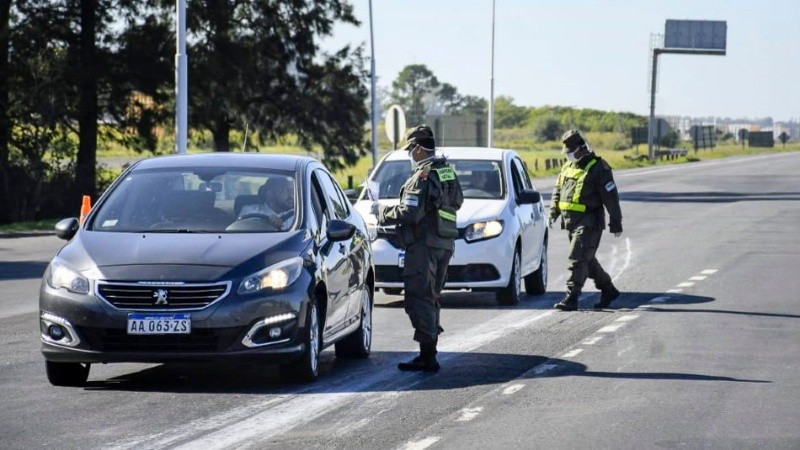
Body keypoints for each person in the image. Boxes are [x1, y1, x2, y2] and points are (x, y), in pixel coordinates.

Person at [373, 124, 463, 372]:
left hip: (424, 246)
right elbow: (458, 201)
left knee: (418, 298)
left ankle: (428, 355)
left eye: (411, 149)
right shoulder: (446, 171)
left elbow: (410, 212)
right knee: (431, 296)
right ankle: (429, 351)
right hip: (444, 243)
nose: (410, 154)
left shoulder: (422, 175)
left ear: (419, 149)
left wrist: (381, 212)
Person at [549, 130, 623, 311]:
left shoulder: (598, 168)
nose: (568, 155)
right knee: (587, 261)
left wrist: (616, 222)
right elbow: (558, 190)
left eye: (570, 152)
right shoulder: (567, 166)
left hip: (589, 222)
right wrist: (553, 212)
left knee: (577, 259)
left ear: (581, 148)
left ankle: (572, 297)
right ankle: (608, 289)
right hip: (570, 222)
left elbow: (611, 197)